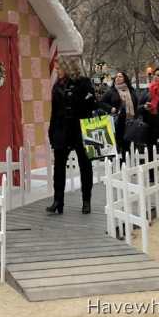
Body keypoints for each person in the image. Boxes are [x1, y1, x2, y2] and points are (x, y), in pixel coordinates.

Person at [47, 57, 97, 215]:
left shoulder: (83, 82)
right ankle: (58, 201)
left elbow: (90, 104)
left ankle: (86, 201)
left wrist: (75, 97)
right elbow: (54, 111)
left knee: (85, 165)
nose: (57, 70)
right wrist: (51, 131)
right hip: (62, 130)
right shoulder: (56, 86)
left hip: (80, 128)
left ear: (67, 67)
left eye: (59, 68)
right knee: (59, 167)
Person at [100, 71, 138, 161]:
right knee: (118, 143)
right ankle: (116, 165)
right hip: (117, 121)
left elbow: (136, 104)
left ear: (125, 78)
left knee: (127, 143)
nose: (117, 78)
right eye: (116, 77)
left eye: (120, 76)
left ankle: (126, 164)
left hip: (129, 120)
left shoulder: (131, 91)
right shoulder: (111, 91)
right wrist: (110, 109)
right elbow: (101, 102)